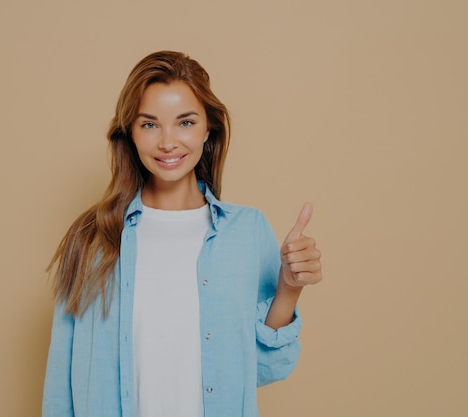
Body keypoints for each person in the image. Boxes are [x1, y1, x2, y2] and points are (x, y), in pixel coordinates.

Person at [42, 50, 322, 417]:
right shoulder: (92, 237)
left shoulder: (247, 232)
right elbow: (61, 384)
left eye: (185, 122)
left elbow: (264, 368)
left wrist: (289, 287)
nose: (168, 142)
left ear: (209, 128)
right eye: (150, 124)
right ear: (130, 133)